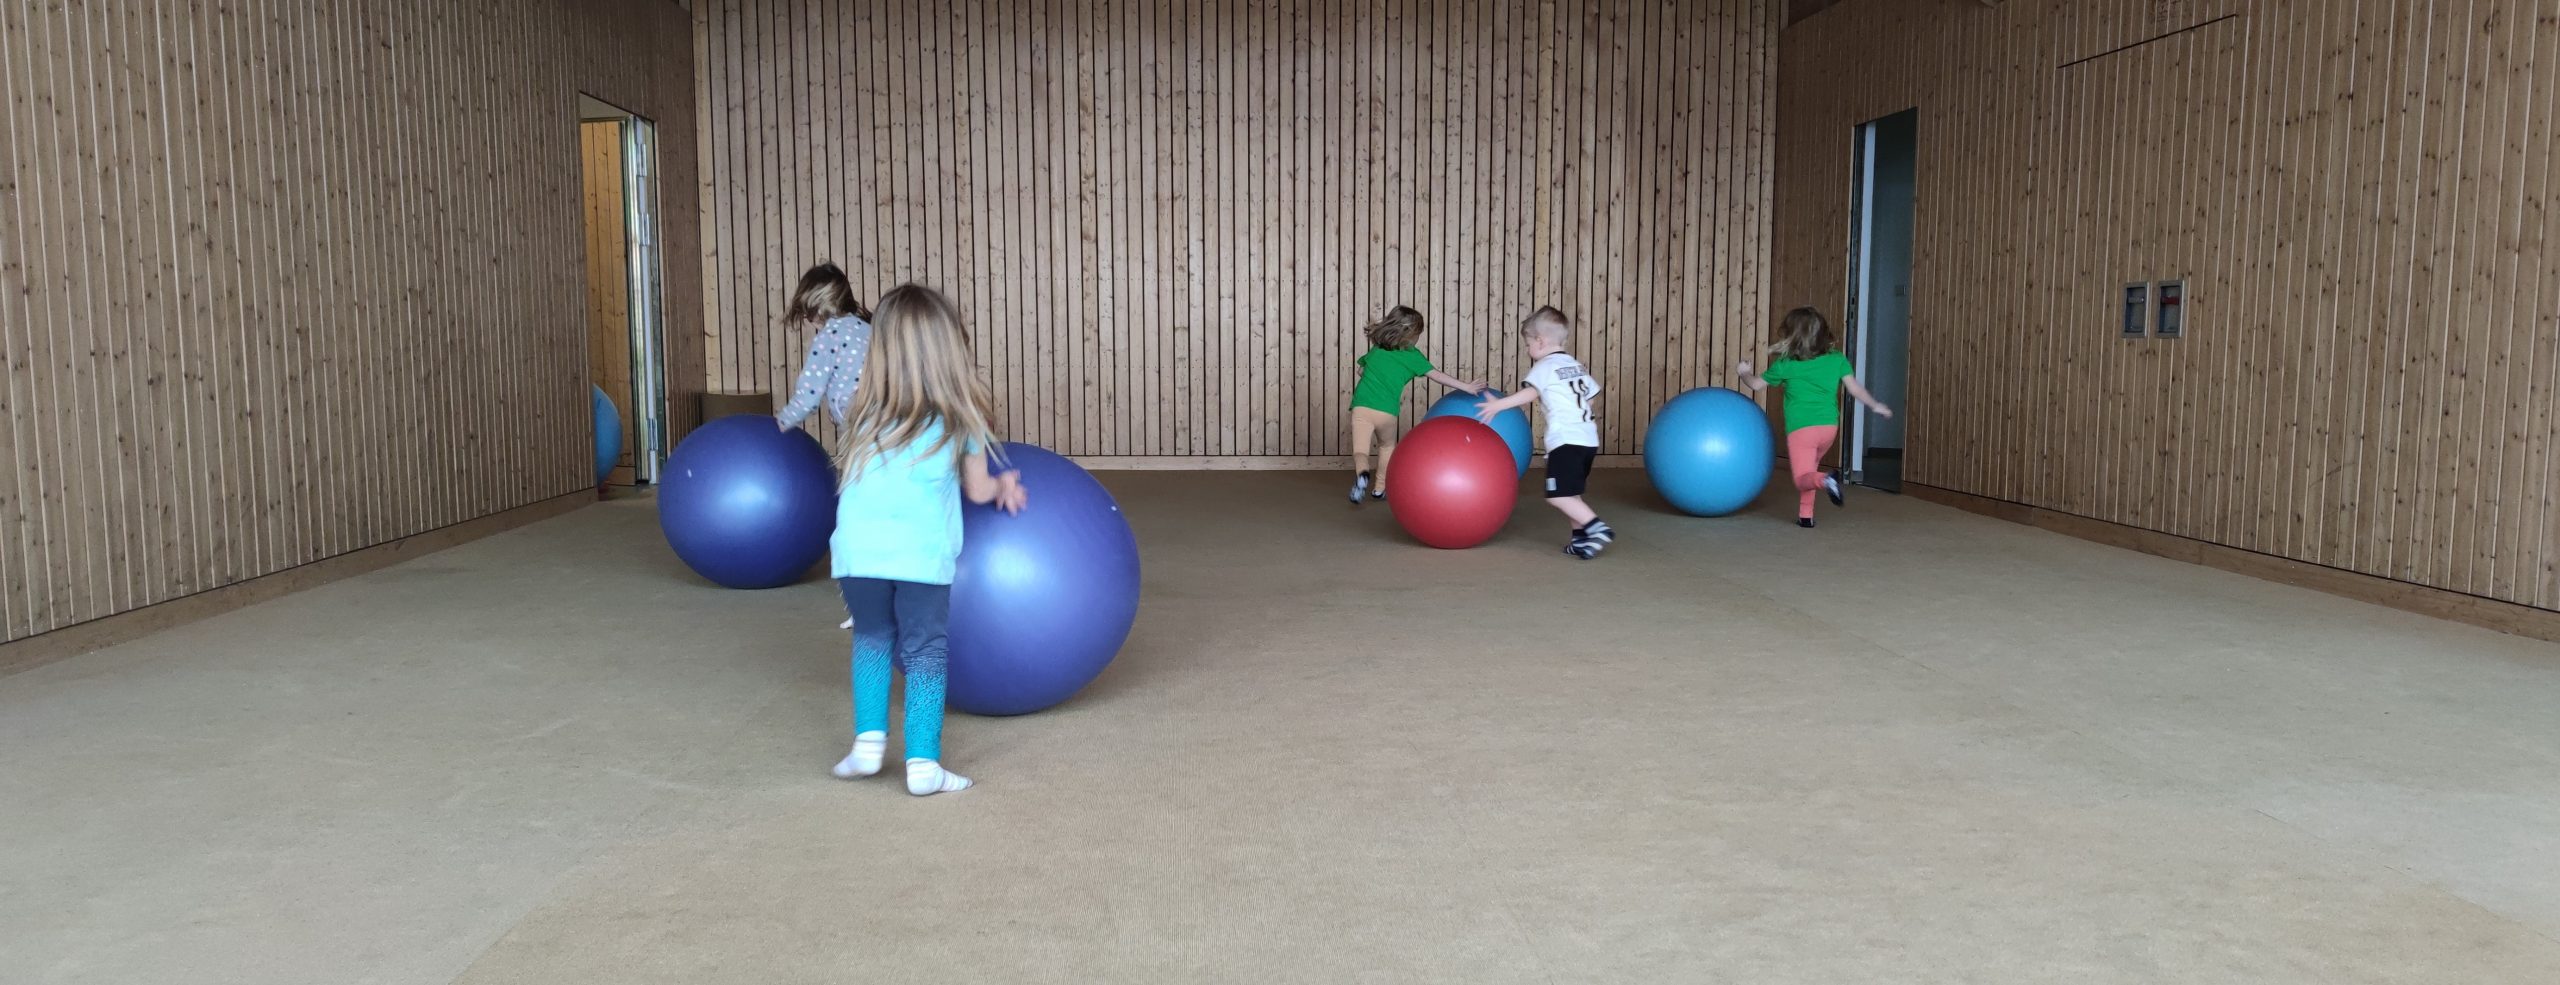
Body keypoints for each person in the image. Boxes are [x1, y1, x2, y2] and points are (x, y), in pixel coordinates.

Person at [826, 283, 1025, 796]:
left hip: (856, 555)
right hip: (919, 558)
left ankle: (868, 745)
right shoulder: (961, 417)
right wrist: (1004, 484)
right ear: (950, 348)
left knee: (872, 638)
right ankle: (922, 766)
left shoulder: (863, 413)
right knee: (924, 654)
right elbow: (977, 490)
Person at [1736, 306, 1894, 528]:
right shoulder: (1837, 359)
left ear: (1791, 336)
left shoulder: (1786, 364)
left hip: (1802, 430)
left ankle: (1825, 480)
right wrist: (1875, 405)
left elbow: (1755, 384)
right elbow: (1855, 389)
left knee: (1803, 479)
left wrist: (1743, 371)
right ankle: (1806, 516)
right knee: (1810, 467)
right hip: (1829, 428)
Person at [1476, 307, 1614, 559]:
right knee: (1572, 493)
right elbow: (1591, 398)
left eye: (1528, 344)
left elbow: (1531, 393)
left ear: (1540, 341)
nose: (1528, 350)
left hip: (1566, 441)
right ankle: (1580, 540)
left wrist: (1499, 405)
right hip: (1587, 439)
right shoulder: (1574, 366)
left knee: (1558, 496)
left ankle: (1596, 527)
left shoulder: (1545, 366)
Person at [1346, 306, 1483, 503]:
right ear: (1411, 334)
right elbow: (1436, 375)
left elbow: (1361, 371)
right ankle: (1379, 489)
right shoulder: (1412, 356)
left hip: (1361, 406)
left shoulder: (1377, 350)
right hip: (1386, 411)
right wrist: (1466, 387)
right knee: (1386, 446)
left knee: (1360, 450)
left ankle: (1362, 474)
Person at [775, 262, 871, 433]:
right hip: (885, 420)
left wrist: (782, 422)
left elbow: (809, 395)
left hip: (860, 427)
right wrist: (837, 409)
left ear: (819, 307)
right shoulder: (866, 328)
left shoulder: (830, 335)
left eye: (808, 312)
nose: (807, 318)